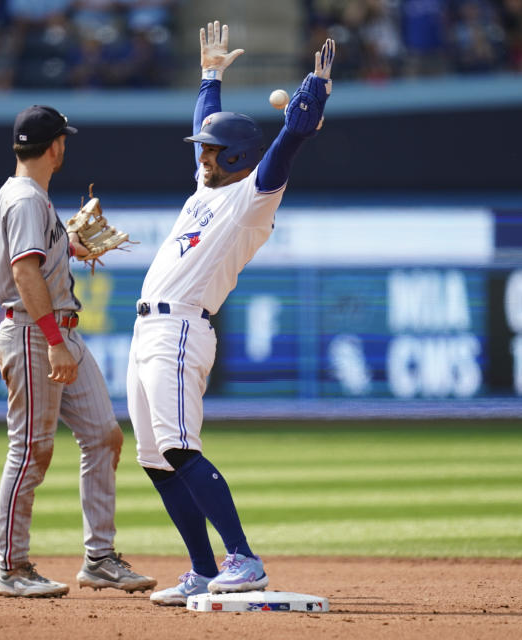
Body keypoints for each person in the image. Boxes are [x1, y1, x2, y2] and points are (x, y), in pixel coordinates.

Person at [126, 21, 336, 606]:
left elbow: (286, 144)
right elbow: (204, 127)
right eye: (203, 151)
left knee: (180, 447)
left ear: (238, 157)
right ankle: (200, 567)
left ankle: (243, 557)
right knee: (155, 458)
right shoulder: (205, 188)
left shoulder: (252, 198)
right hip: (147, 329)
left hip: (181, 327)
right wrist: (210, 76)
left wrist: (311, 97)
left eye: (213, 151)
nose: (203, 155)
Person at [0, 104, 156, 598]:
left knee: (103, 436)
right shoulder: (24, 200)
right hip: (37, 334)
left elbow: (38, 263)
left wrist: (69, 247)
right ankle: (12, 568)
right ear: (55, 146)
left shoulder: (32, 198)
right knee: (31, 450)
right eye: (65, 140)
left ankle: (100, 559)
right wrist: (55, 342)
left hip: (58, 331)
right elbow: (23, 275)